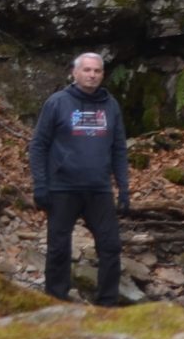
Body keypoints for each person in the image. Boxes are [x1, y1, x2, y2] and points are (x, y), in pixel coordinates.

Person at [29, 51, 131, 304]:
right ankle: (55, 300)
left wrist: (124, 188)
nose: (92, 75)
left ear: (102, 74)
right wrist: (41, 185)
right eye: (87, 70)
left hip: (99, 189)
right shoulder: (57, 102)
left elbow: (119, 148)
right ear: (75, 73)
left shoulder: (111, 105)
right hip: (62, 188)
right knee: (58, 248)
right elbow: (38, 145)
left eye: (97, 71)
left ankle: (107, 304)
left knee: (110, 247)